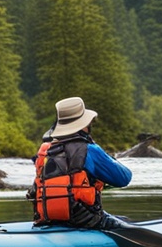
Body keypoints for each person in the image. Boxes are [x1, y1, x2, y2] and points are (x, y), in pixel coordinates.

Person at [29, 96, 131, 229]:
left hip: (48, 218)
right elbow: (124, 178)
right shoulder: (90, 149)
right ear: (85, 125)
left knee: (123, 219)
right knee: (123, 223)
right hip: (85, 220)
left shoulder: (45, 150)